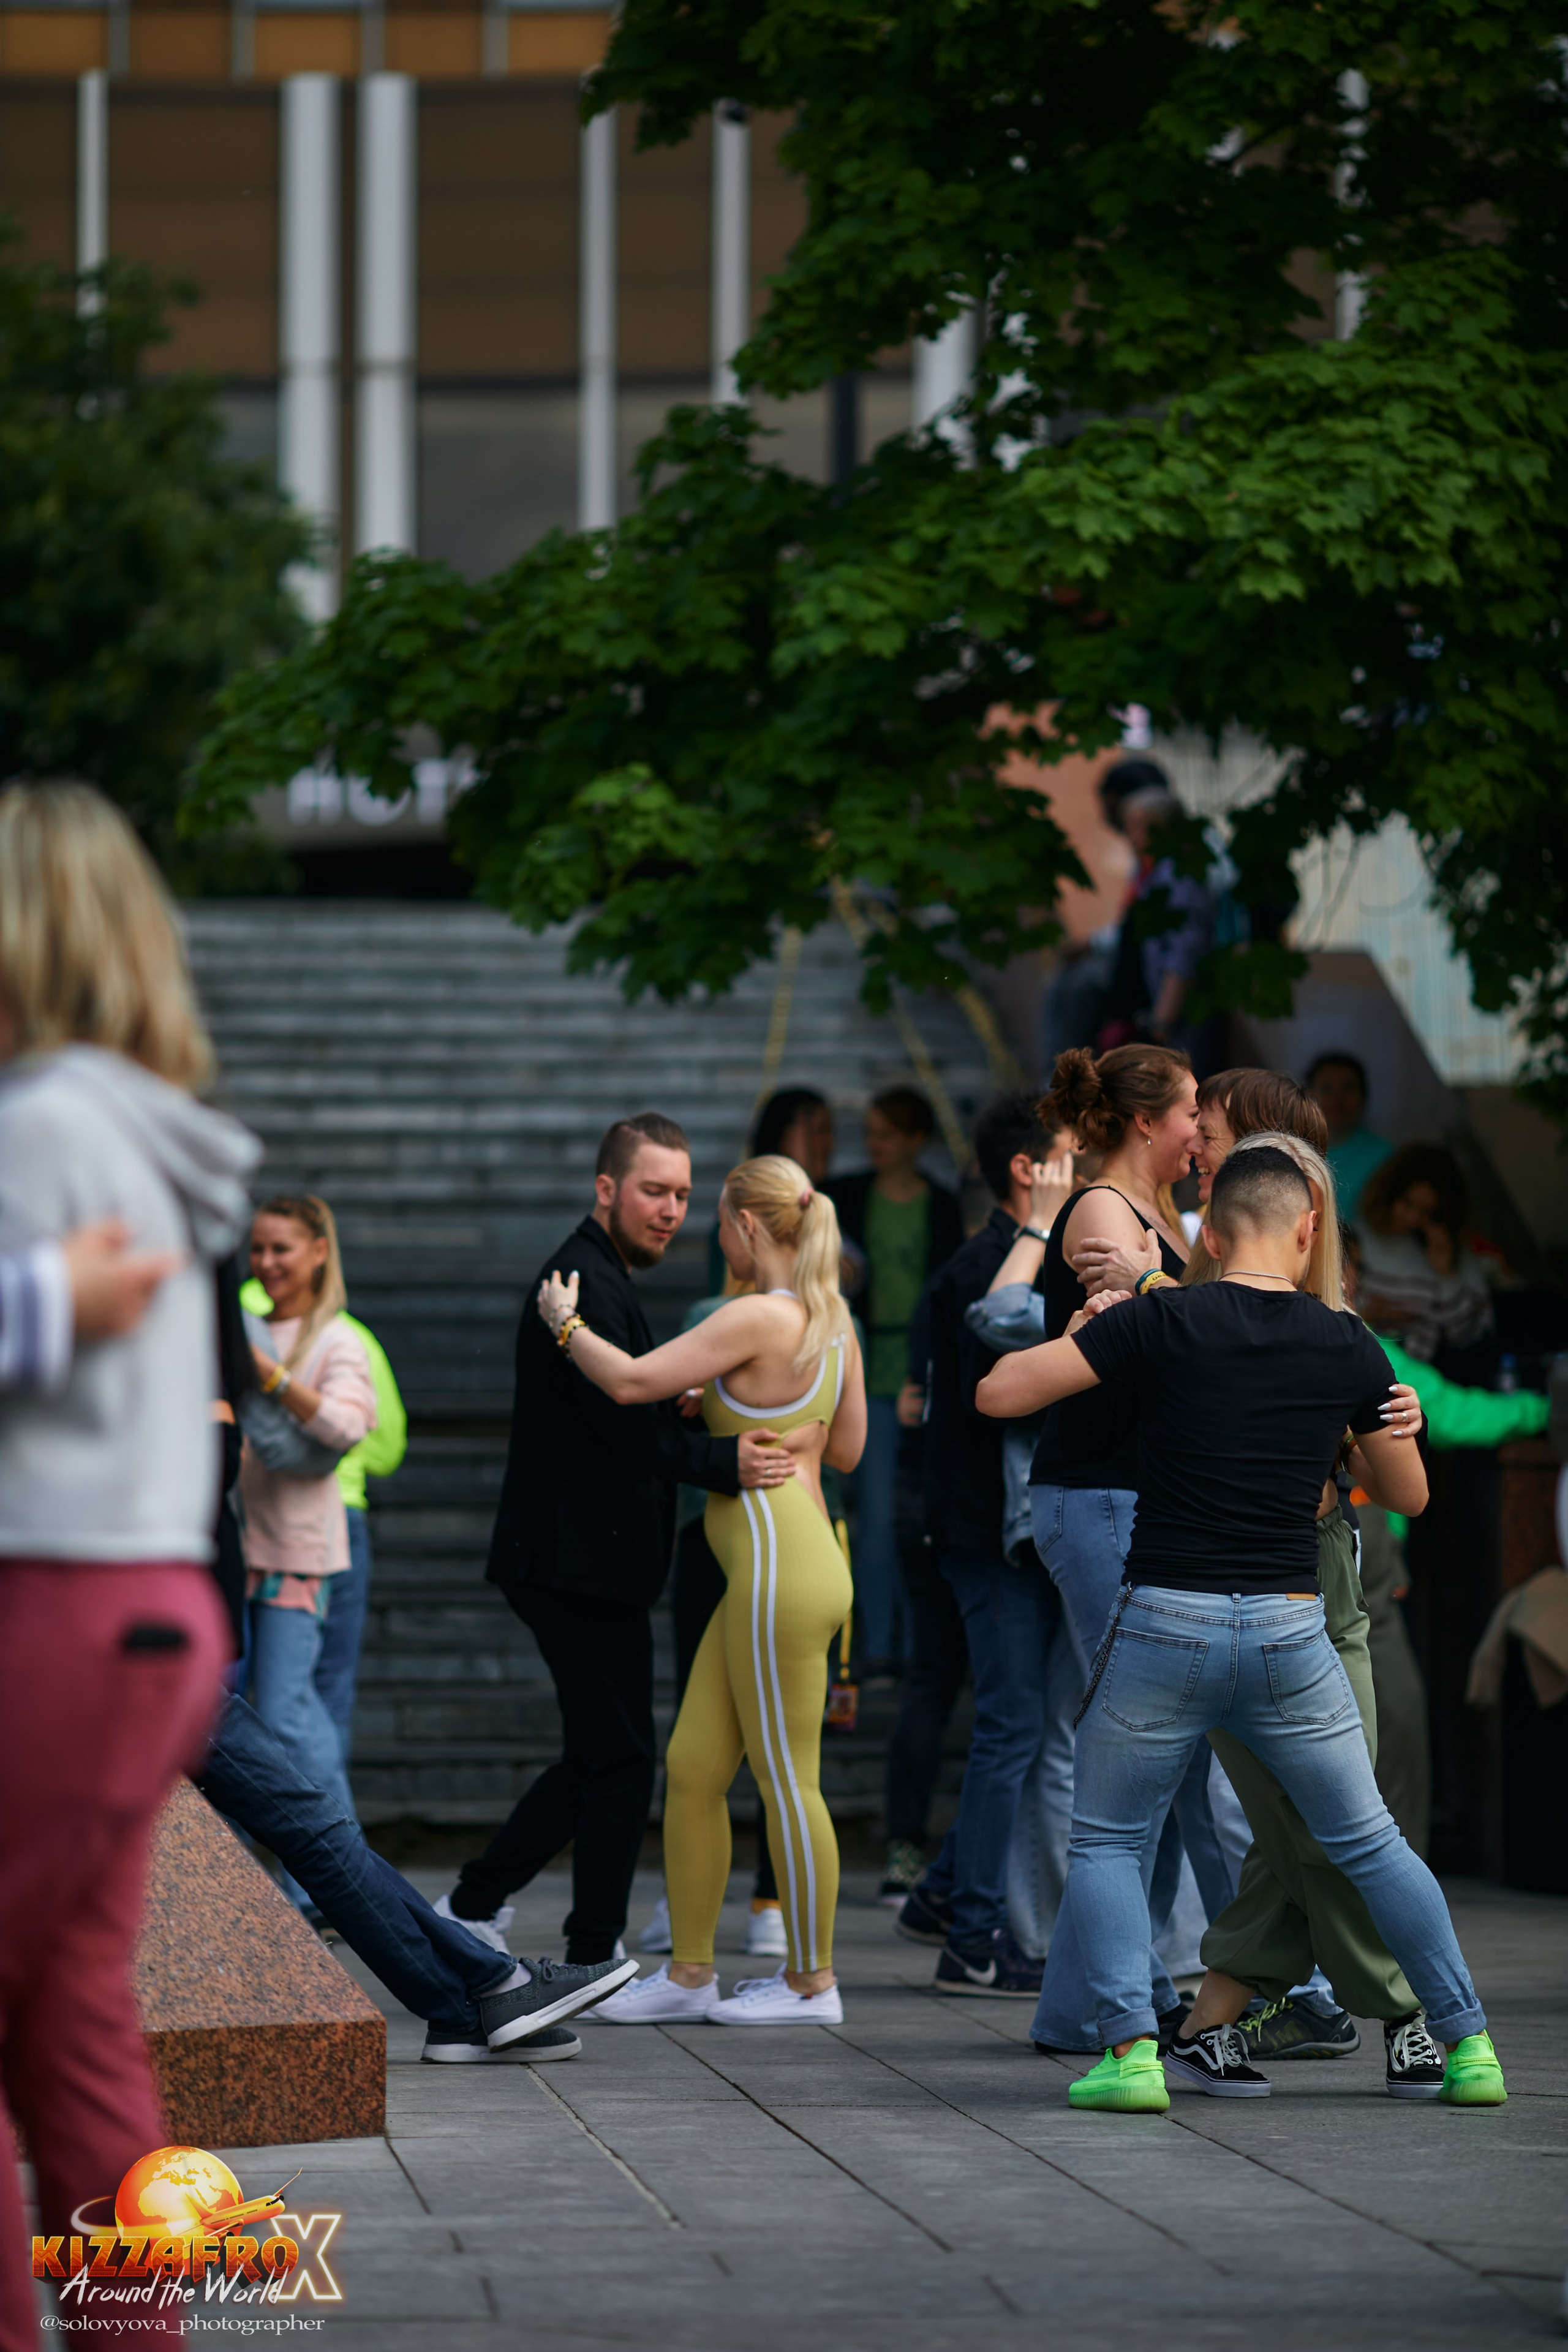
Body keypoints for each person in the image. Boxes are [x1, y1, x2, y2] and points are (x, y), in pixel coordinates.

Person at [978, 1145, 1506, 2114]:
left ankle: (1133, 2059)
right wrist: (1396, 1419)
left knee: (1107, 1842)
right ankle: (1467, 2044)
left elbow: (998, 1394)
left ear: (1207, 1236)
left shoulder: (1162, 1318)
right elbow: (1409, 1496)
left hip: (1162, 1623)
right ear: (1309, 1233)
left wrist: (1097, 1323)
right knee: (1371, 1841)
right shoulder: (1348, 1344)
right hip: (1292, 1627)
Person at [0, 782, 259, 2350]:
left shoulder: (40, 1122)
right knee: (74, 2031)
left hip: (51, 1598)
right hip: (150, 1606)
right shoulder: (145, 1135)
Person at [440, 1114, 798, 1966]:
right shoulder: (584, 1279)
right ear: (607, 1189)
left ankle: (473, 1903)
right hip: (574, 1562)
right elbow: (625, 1426)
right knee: (622, 1757)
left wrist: (679, 1416)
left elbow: (622, 1411)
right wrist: (723, 1459)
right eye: (653, 1191)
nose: (671, 1210)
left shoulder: (599, 1272)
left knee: (603, 1752)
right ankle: (588, 1947)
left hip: (587, 1560)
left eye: (681, 1194)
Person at [545, 1153, 865, 2024]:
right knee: (692, 1769)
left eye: (718, 1218)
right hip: (786, 1567)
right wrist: (734, 1410)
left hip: (774, 1575)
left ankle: (812, 1984)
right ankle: (690, 1975)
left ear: (749, 1227)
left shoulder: (755, 1313)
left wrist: (566, 1325)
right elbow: (846, 1452)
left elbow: (627, 1380)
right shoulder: (829, 1320)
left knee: (788, 1782)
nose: (710, 1233)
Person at [1022, 1044, 1235, 2053]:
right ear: (1147, 1121)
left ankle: (1098, 1997)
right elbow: (1166, 1345)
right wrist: (1163, 1286)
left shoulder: (1157, 1224)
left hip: (1134, 1498)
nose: (1202, 1127)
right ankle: (1141, 1989)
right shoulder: (1105, 1211)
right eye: (1193, 1107)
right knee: (1148, 1745)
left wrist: (1164, 1281)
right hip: (1099, 1495)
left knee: (1154, 1747)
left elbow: (1191, 1333)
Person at [892, 1091, 1076, 1997]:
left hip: (985, 1529)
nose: (1080, 1173)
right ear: (1027, 1170)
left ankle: (940, 1895)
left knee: (1027, 1727)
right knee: (1012, 1729)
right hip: (984, 1534)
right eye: (1070, 1157)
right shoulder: (990, 1269)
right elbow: (990, 1400)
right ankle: (972, 1935)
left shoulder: (990, 1260)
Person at [199, 1693, 628, 2065]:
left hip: (157, 1665)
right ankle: (493, 1988)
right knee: (317, 1830)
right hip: (157, 1673)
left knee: (321, 1832)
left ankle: (469, 2012)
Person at [241, 1193, 378, 1885]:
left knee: (291, 1712)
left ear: (319, 1251)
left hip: (297, 1552)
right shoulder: (247, 1326)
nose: (266, 1263)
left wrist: (271, 1378)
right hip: (236, 1547)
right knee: (233, 1719)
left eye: (282, 1249)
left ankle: (336, 1879)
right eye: (258, 1249)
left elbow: (349, 1427)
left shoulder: (336, 1340)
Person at [241, 1271, 409, 1763]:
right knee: (322, 1690)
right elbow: (388, 1450)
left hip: (248, 1513)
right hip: (334, 1515)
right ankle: (331, 1832)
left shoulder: (237, 1316)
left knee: (240, 1701)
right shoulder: (350, 1336)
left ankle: (237, 1838)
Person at [828, 1087, 963, 1677]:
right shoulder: (848, 1195)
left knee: (921, 1512)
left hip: (923, 1368)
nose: (872, 1143)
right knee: (879, 1512)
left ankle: (921, 1643)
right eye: (871, 1133)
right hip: (865, 1364)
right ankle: (879, 1641)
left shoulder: (941, 1203)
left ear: (916, 1140)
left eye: (885, 1133)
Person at [1356, 1143, 1496, 1370]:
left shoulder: (1452, 1255)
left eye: (1425, 1212)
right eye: (1407, 1204)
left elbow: (1468, 1337)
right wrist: (1367, 1313)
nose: (1412, 1218)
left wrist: (1446, 1274)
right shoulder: (1356, 1239)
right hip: (1363, 1366)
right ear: (1388, 1195)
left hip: (1422, 1380)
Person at [707, 1087, 837, 1291]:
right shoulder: (745, 1205)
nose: (829, 1142)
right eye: (818, 1131)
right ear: (783, 1136)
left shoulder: (829, 1201)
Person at [1306, 1049, 1392, 1218]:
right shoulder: (1292, 1153)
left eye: (1349, 1088)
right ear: (1309, 1097)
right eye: (1327, 1089)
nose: (1338, 1100)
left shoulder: (1387, 1158)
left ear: (1364, 1096)